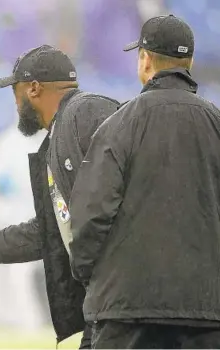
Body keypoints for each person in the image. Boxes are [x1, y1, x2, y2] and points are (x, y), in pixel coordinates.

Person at [0, 45, 120, 348]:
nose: (15, 102)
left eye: (16, 91)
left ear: (34, 88)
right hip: (109, 301)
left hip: (125, 296)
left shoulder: (83, 112)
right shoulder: (59, 133)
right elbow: (51, 230)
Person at [68, 14, 220, 349]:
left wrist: (88, 277)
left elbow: (91, 215)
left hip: (127, 313)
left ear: (145, 60)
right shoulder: (216, 123)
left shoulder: (118, 125)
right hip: (207, 314)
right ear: (189, 62)